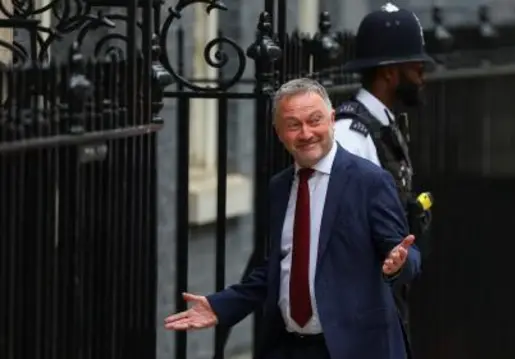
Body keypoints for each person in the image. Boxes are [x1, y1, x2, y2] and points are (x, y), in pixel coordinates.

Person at [164, 78, 421, 359]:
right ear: (279, 132)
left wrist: (398, 263)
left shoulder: (369, 181)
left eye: (315, 120)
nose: (306, 133)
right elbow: (277, 267)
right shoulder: (279, 186)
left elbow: (407, 256)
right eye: (294, 125)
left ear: (332, 119)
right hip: (288, 346)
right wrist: (221, 305)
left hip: (353, 347)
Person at [332, 3, 434, 357]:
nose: (423, 75)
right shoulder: (350, 134)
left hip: (387, 294)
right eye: (415, 66)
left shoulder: (386, 127)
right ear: (390, 74)